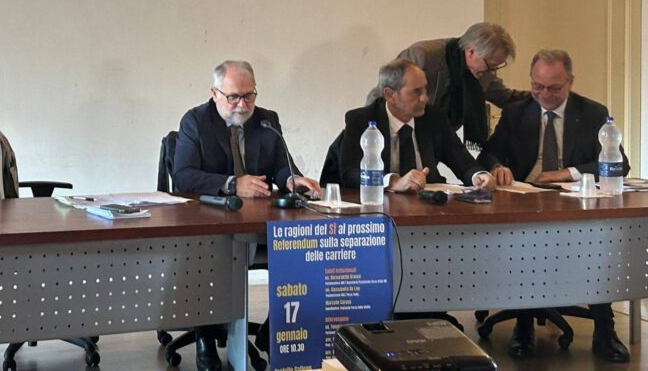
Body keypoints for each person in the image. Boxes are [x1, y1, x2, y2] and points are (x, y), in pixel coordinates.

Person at [477, 49, 630, 362]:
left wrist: (567, 172)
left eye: (554, 88)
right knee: (522, 247)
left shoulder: (592, 112)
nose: (544, 95)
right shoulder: (516, 112)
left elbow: (619, 164)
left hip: (573, 202)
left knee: (598, 247)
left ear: (570, 83)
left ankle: (605, 330)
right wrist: (496, 167)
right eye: (537, 86)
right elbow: (488, 153)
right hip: (525, 199)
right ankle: (523, 327)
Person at [173, 60, 321, 371]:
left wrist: (293, 180)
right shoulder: (195, 121)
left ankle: (273, 328)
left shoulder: (267, 120)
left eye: (249, 95)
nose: (243, 104)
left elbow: (282, 166)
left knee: (301, 244)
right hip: (210, 221)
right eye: (233, 97)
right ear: (215, 93)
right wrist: (232, 184)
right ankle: (205, 336)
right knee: (205, 256)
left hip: (256, 221)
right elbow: (183, 176)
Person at [343, 59, 496, 193]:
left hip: (429, 205)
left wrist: (479, 176)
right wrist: (393, 182)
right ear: (390, 95)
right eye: (416, 91)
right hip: (380, 207)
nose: (424, 98)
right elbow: (349, 173)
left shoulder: (434, 117)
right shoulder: (362, 120)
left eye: (425, 89)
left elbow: (462, 160)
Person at [366, 22, 526, 146]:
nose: (492, 71)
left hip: (436, 142)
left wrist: (539, 94)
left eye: (497, 66)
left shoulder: (483, 73)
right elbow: (381, 95)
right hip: (398, 137)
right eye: (489, 64)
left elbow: (508, 98)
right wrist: (374, 136)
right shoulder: (423, 55)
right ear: (470, 51)